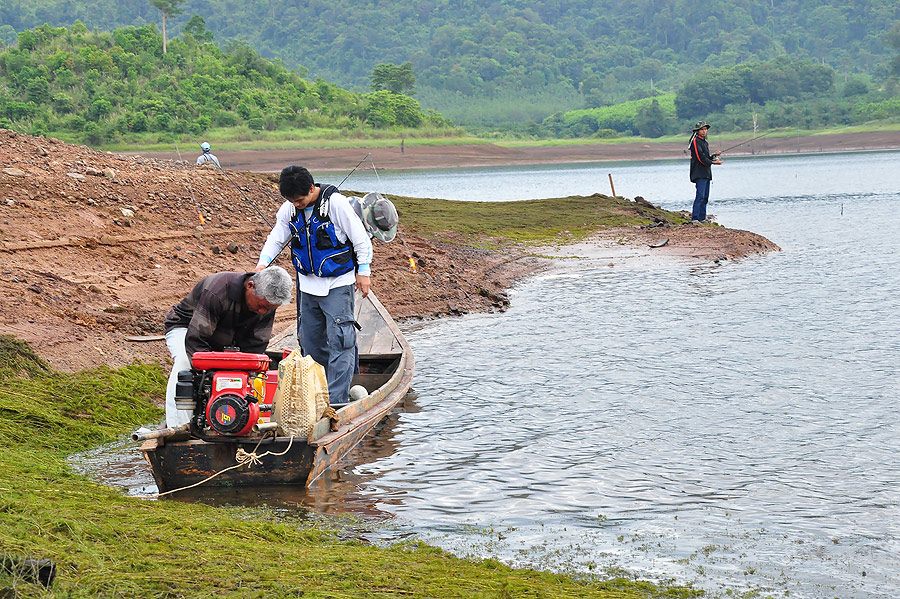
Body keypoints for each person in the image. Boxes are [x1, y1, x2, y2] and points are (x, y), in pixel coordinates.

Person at [256, 166, 373, 406]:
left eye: (300, 200)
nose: (296, 204)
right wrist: (262, 264)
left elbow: (361, 240)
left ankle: (337, 402)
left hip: (338, 283)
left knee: (341, 340)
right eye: (291, 201)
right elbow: (277, 237)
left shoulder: (336, 205)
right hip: (307, 285)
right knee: (310, 341)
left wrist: (363, 272)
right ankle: (318, 397)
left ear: (312, 189)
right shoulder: (289, 209)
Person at [162, 267, 293, 427]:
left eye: (270, 309)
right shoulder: (218, 290)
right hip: (187, 328)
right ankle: (178, 426)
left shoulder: (265, 303)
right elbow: (196, 340)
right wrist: (212, 374)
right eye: (261, 306)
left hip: (227, 338)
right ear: (250, 286)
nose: (263, 311)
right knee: (185, 365)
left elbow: (255, 346)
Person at [688, 121, 723, 223]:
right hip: (699, 173)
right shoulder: (695, 141)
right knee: (700, 196)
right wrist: (713, 162)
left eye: (705, 129)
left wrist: (714, 156)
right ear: (697, 131)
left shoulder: (704, 142)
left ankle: (702, 218)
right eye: (702, 129)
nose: (704, 131)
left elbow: (706, 157)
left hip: (706, 173)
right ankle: (695, 218)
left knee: (705, 197)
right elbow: (700, 157)